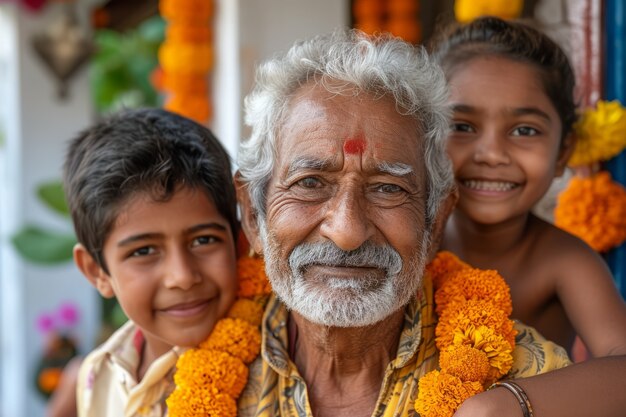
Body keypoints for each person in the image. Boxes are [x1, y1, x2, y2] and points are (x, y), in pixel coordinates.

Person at [231, 29, 626, 417]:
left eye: (387, 188)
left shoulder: (528, 370)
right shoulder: (199, 369)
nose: (347, 231)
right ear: (252, 213)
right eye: (310, 183)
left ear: (435, 221)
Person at [430, 16, 626, 360]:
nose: (491, 154)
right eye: (461, 125)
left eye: (524, 131)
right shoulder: (409, 247)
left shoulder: (566, 262)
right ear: (424, 137)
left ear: (563, 151)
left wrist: (514, 401)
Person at [63, 108, 240, 417]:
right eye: (144, 251)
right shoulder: (98, 375)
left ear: (239, 240)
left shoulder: (275, 372)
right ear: (96, 271)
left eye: (204, 240)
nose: (182, 277)